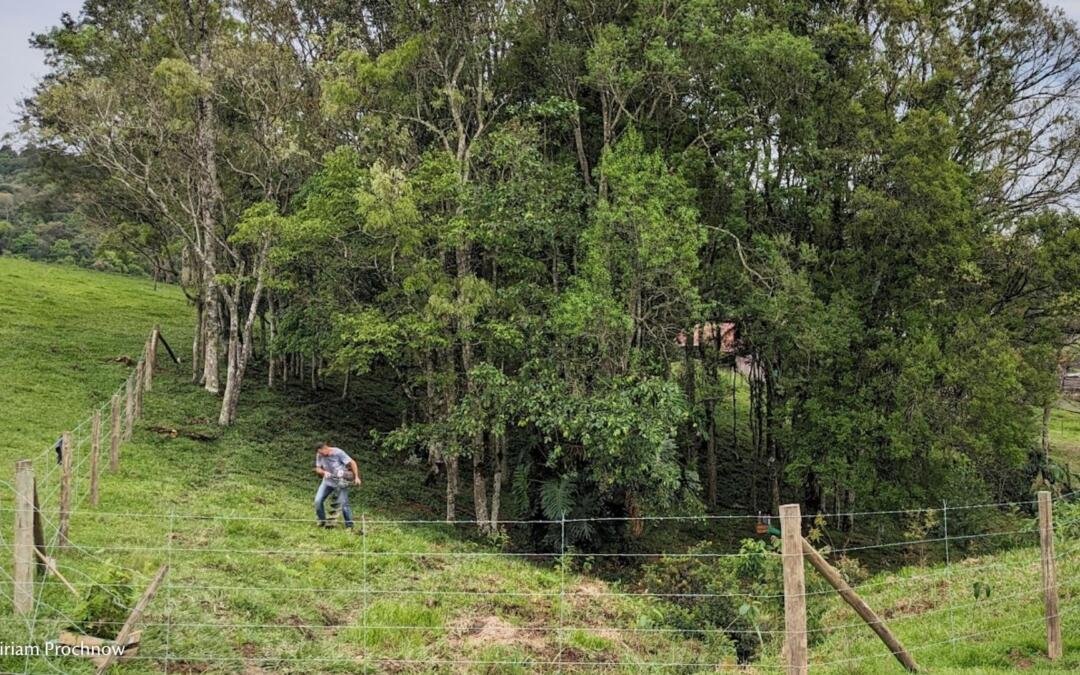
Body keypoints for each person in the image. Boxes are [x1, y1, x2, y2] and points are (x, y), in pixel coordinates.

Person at [313, 442, 362, 529]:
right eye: (319, 453)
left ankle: (349, 526)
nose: (321, 455)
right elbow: (317, 468)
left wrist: (356, 477)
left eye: (322, 453)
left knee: (344, 504)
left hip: (341, 482)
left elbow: (352, 462)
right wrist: (324, 472)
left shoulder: (338, 452)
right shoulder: (319, 455)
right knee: (318, 501)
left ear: (326, 448)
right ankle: (322, 521)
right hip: (327, 482)